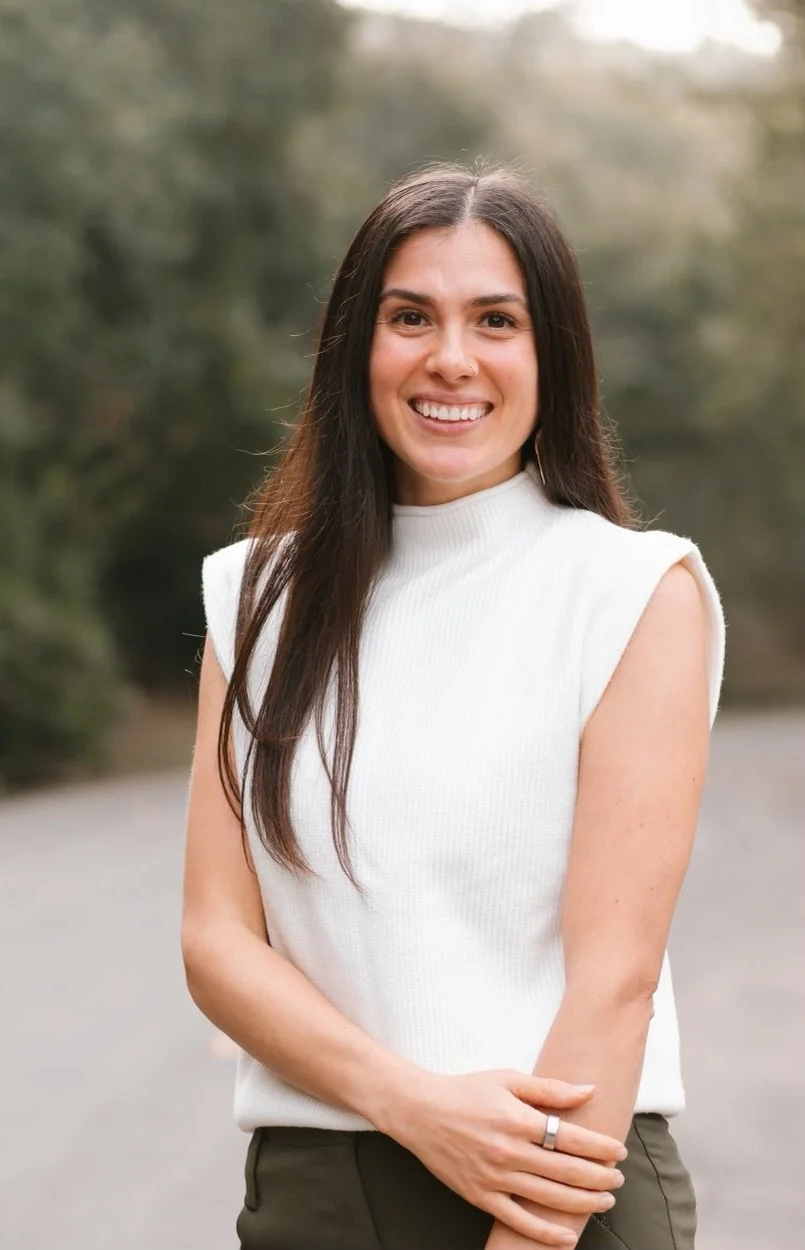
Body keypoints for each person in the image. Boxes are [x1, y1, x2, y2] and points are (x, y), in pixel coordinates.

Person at [181, 163, 725, 1250]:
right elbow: (216, 940)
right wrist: (407, 1101)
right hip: (314, 1192)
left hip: (557, 1196)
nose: (450, 358)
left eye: (495, 320)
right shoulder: (256, 597)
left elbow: (611, 982)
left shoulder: (631, 591)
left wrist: (521, 1229)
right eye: (410, 316)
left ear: (549, 356)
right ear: (356, 346)